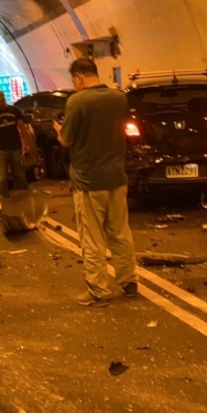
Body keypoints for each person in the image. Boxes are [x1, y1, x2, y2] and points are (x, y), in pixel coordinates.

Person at [54, 58, 137, 307]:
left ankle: (99, 291)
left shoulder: (78, 101)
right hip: (117, 176)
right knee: (120, 232)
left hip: (89, 181)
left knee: (93, 239)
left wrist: (58, 130)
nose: (75, 85)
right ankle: (129, 281)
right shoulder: (119, 98)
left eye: (73, 81)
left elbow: (67, 141)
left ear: (79, 77)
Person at [0, 91, 30, 199]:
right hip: (1, 149)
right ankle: (2, 197)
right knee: (1, 175)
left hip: (15, 146)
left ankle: (22, 193)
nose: (2, 104)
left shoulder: (13, 110)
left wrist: (26, 143)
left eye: (3, 101)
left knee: (19, 173)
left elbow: (22, 127)